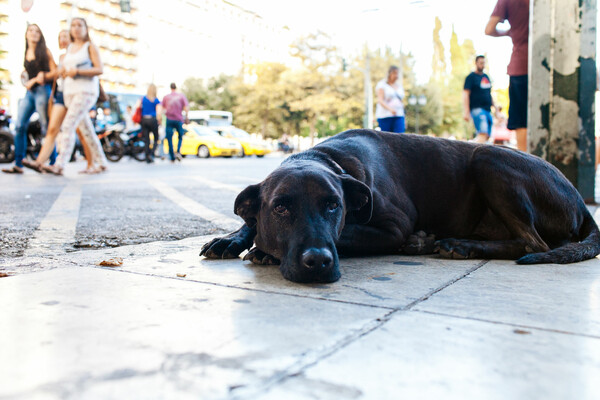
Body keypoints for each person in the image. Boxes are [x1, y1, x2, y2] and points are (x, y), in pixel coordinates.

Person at [23, 29, 96, 174]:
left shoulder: (79, 54)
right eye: (60, 36)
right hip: (62, 95)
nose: (62, 39)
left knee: (81, 130)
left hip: (77, 94)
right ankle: (39, 162)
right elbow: (56, 74)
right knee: (52, 129)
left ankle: (90, 164)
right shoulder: (62, 56)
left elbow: (92, 70)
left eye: (65, 36)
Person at [45, 17, 108, 175]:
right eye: (73, 25)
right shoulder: (70, 48)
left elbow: (99, 69)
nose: (76, 28)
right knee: (86, 130)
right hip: (69, 94)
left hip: (85, 92)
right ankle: (101, 162)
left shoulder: (89, 47)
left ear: (86, 29)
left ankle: (60, 164)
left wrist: (77, 71)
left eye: (80, 25)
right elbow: (64, 69)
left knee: (67, 125)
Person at [2, 24, 56, 174]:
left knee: (46, 127)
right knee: (19, 126)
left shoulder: (45, 51)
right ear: (26, 34)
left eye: (37, 31)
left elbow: (55, 71)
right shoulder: (26, 51)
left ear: (40, 35)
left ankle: (52, 162)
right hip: (29, 92)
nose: (33, 33)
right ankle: (18, 163)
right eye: (31, 31)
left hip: (42, 91)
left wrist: (42, 76)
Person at [485, 0, 529, 152]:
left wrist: (509, 32)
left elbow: (489, 29)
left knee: (522, 123)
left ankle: (529, 168)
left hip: (521, 66)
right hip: (548, 65)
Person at [463, 55, 499, 143]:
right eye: (481, 63)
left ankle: (477, 151)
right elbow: (465, 94)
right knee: (483, 133)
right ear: (476, 63)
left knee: (486, 136)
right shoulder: (471, 77)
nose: (482, 65)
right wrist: (466, 111)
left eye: (484, 63)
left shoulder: (486, 77)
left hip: (487, 110)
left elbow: (489, 94)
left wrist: (496, 108)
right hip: (477, 109)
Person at [162, 82, 189, 162]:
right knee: (180, 136)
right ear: (176, 87)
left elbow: (162, 109)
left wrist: (160, 118)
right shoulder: (181, 96)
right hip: (178, 119)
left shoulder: (166, 97)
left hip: (169, 119)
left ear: (170, 88)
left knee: (169, 138)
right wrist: (187, 117)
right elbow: (186, 107)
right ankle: (177, 151)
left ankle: (172, 157)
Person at [375, 65, 405, 133]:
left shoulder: (399, 86)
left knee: (400, 137)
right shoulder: (382, 85)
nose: (396, 75)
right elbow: (380, 100)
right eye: (394, 73)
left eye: (397, 73)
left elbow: (401, 102)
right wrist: (390, 109)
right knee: (387, 137)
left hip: (399, 114)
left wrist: (404, 118)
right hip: (385, 116)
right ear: (389, 74)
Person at [140, 84, 161, 163]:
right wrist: (159, 120)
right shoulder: (155, 100)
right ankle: (151, 154)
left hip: (144, 119)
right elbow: (158, 111)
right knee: (156, 138)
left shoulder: (143, 98)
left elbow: (137, 107)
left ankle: (147, 156)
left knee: (147, 139)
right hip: (152, 120)